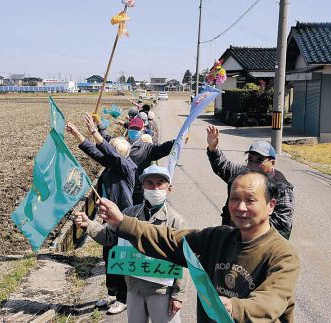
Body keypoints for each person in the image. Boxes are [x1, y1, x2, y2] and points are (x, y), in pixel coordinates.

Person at [96, 169, 300, 322]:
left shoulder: (282, 254)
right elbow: (169, 240)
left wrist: (234, 307)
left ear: (271, 205)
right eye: (235, 198)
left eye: (250, 200)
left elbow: (272, 300)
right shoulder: (218, 237)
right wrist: (121, 222)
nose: (240, 207)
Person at [75, 166, 189, 322]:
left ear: (169, 189)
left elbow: (185, 260)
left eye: (160, 183)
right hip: (134, 288)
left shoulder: (176, 220)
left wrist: (178, 295)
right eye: (149, 183)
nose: (154, 188)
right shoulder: (128, 214)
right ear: (143, 187)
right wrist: (89, 225)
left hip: (162, 292)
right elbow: (108, 237)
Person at [66, 113, 136, 314]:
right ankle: (112, 294)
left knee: (120, 258)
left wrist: (96, 132)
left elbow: (108, 153)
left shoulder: (127, 167)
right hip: (109, 220)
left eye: (110, 148)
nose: (105, 152)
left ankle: (123, 298)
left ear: (118, 154)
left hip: (123, 219)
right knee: (108, 256)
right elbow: (94, 151)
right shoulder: (111, 166)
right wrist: (78, 134)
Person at [206, 125, 295, 239]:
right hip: (232, 240)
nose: (253, 165)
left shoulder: (282, 188)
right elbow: (223, 166)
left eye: (259, 160)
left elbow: (283, 225)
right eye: (250, 160)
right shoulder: (244, 174)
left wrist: (250, 221)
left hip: (261, 246)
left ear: (272, 163)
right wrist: (213, 148)